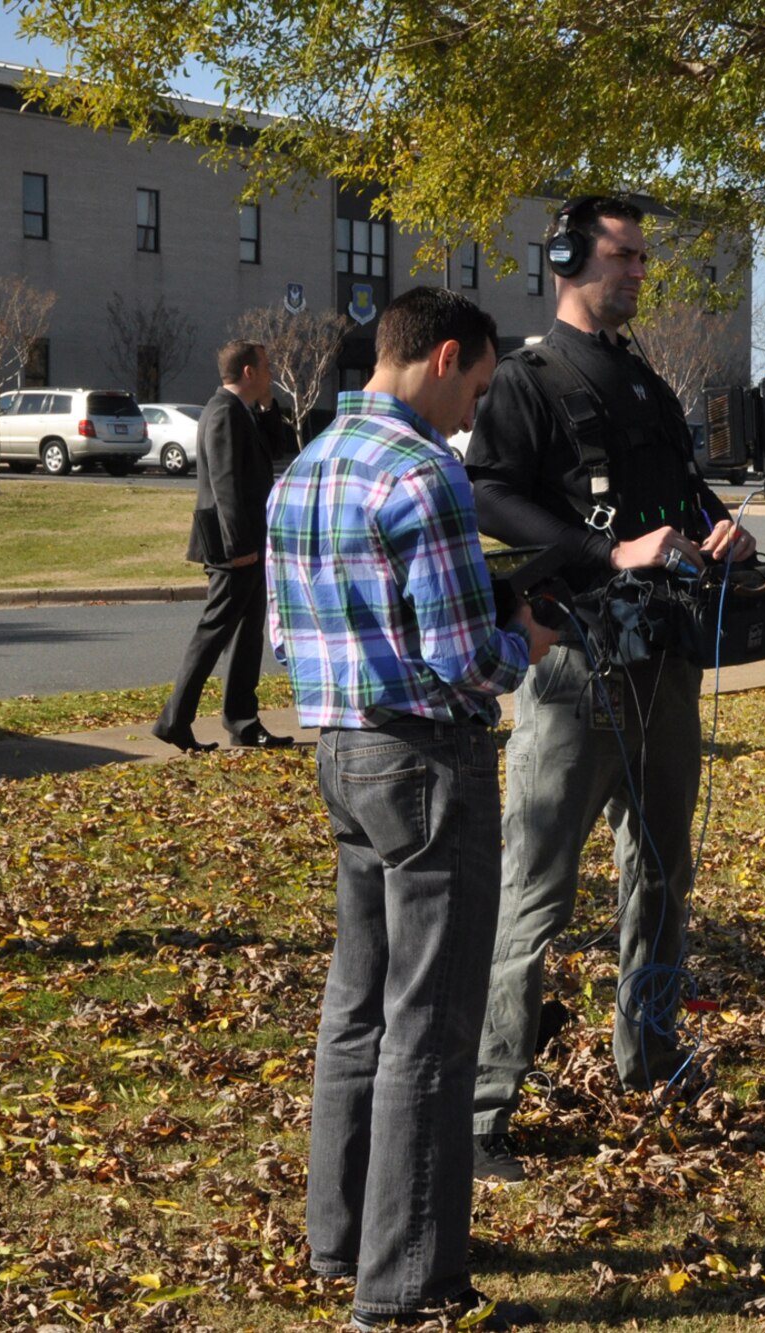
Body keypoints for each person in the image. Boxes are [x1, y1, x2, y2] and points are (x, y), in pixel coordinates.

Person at [269, 286, 556, 1330]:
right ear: (443, 356)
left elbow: (285, 636)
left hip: (339, 748)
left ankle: (338, 1234)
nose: (475, 411)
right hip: (427, 757)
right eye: (475, 385)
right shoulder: (422, 470)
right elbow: (460, 656)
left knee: (359, 1003)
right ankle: (408, 1282)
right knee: (429, 1022)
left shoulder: (303, 465)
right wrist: (523, 635)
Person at [465, 195, 756, 1183]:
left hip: (665, 659)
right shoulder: (527, 379)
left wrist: (717, 527)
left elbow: (679, 489)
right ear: (566, 259)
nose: (639, 271)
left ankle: (651, 1053)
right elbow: (485, 491)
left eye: (641, 255)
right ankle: (481, 1108)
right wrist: (600, 548)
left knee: (662, 871)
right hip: (573, 665)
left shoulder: (643, 380)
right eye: (624, 256)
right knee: (534, 890)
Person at [154, 340, 295, 754]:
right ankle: (174, 721)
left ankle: (243, 721)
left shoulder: (245, 411)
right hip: (233, 547)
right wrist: (238, 547)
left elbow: (278, 448)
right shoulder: (222, 412)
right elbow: (225, 484)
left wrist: (270, 407)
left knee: (248, 635)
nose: (271, 373)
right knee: (213, 633)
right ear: (248, 372)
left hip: (250, 542)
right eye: (266, 367)